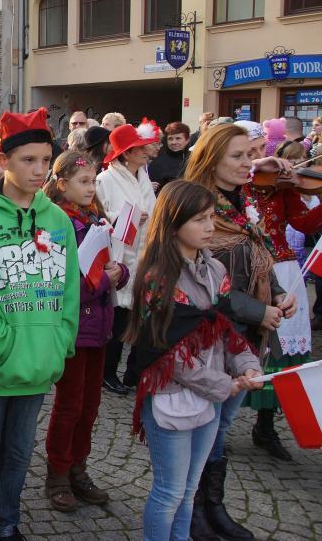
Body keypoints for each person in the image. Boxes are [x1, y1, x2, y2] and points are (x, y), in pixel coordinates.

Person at [0, 107, 79, 541]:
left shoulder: (58, 219)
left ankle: (6, 525)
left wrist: (60, 338)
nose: (39, 170)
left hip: (37, 361)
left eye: (45, 160)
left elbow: (67, 289)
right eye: (28, 160)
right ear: (3, 161)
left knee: (19, 454)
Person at [124, 180, 262, 541]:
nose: (210, 226)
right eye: (199, 219)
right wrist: (222, 385)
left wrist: (248, 365)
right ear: (174, 222)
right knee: (169, 492)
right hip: (171, 396)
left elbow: (227, 328)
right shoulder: (158, 278)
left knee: (189, 490)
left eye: (211, 217)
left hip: (211, 397)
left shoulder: (215, 270)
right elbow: (167, 353)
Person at [182, 123, 290, 541]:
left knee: (222, 428)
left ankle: (214, 507)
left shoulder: (243, 201)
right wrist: (258, 308)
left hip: (247, 336)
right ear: (212, 158)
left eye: (251, 154)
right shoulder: (195, 204)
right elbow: (201, 283)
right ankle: (192, 510)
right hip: (210, 335)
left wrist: (278, 294)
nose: (251, 163)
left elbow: (259, 253)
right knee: (202, 425)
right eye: (239, 156)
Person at [42, 150, 129, 513]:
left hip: (100, 326)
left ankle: (80, 467)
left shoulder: (96, 217)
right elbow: (56, 280)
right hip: (75, 328)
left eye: (93, 181)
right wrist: (99, 282)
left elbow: (113, 266)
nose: (91, 188)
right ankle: (58, 473)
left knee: (90, 406)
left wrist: (118, 274)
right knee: (70, 405)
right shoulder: (56, 222)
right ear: (61, 184)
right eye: (83, 182)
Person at [240, 124, 318, 462]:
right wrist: (263, 163)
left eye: (262, 149)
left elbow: (303, 224)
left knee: (283, 351)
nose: (259, 158)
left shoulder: (283, 187)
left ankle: (265, 425)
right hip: (248, 272)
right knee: (244, 348)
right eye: (251, 151)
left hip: (285, 269)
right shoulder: (236, 185)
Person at [96, 122, 159, 395]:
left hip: (143, 255)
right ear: (126, 153)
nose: (145, 152)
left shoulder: (143, 177)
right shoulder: (105, 180)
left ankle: (134, 371)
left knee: (139, 317)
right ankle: (107, 372)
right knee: (118, 319)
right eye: (138, 148)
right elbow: (100, 217)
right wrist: (125, 218)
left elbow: (154, 209)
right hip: (120, 256)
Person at [149, 122, 191, 192]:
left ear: (187, 140)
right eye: (170, 139)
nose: (173, 142)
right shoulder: (158, 163)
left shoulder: (195, 158)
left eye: (178, 138)